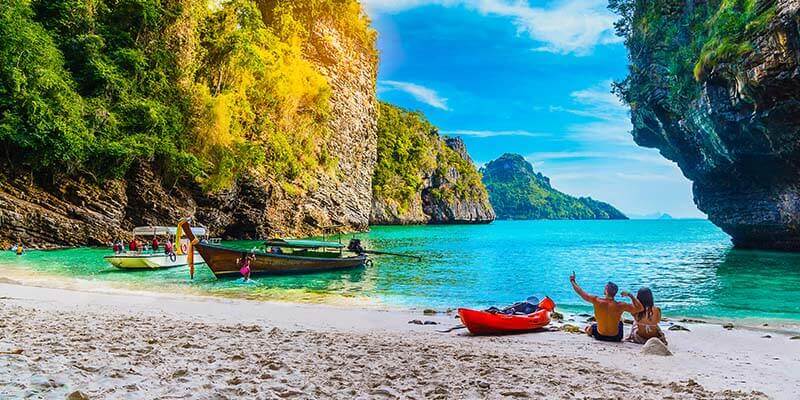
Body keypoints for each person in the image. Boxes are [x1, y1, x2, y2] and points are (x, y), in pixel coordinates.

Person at [570, 271, 643, 342]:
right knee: (620, 322)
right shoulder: (621, 305)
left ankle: (589, 331)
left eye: (605, 288)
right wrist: (630, 295)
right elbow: (640, 308)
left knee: (592, 326)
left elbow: (581, 292)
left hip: (600, 336)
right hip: (615, 337)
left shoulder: (597, 300)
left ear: (606, 291)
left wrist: (573, 281)